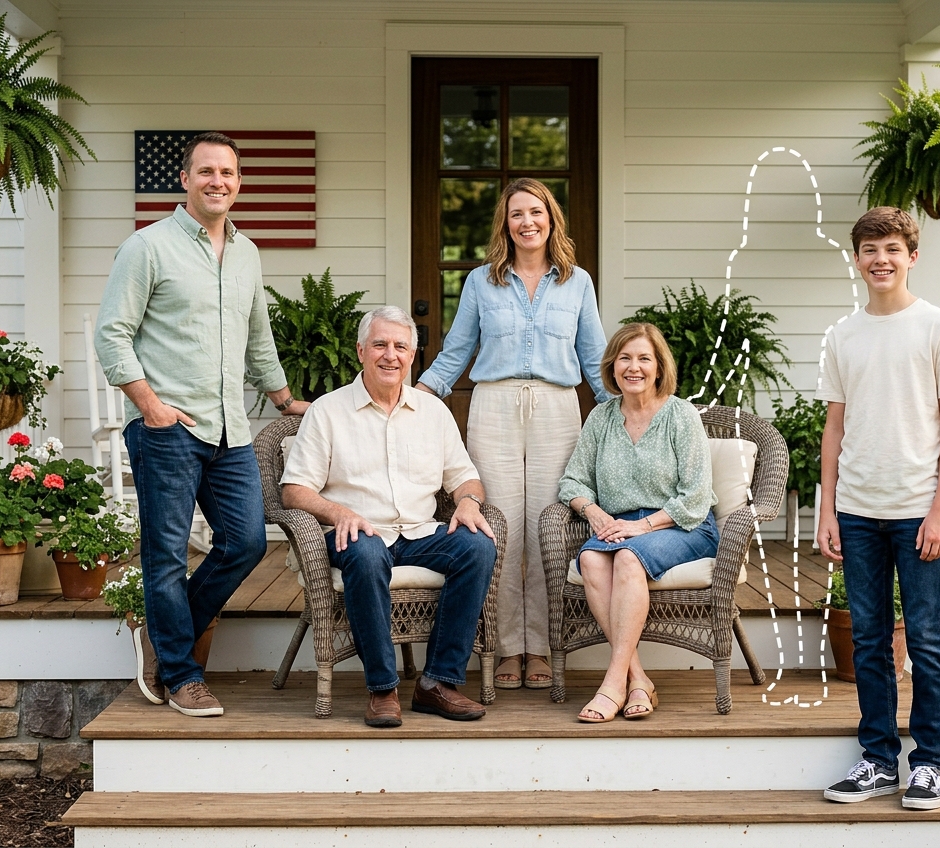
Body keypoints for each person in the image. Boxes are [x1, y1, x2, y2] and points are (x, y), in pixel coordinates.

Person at [96, 132, 306, 717]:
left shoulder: (246, 253)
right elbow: (111, 334)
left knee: (244, 542)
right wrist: (150, 405)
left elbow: (257, 336)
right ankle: (184, 674)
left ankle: (164, 636)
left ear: (239, 183)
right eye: (207, 171)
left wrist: (285, 399)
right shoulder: (147, 248)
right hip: (168, 428)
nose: (219, 181)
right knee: (164, 553)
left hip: (229, 430)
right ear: (184, 179)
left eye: (229, 173)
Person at [416, 178, 610, 692]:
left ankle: (541, 645)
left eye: (536, 212)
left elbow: (594, 357)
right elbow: (457, 350)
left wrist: (625, 411)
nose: (528, 222)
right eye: (517, 214)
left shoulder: (578, 282)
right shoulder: (483, 281)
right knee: (499, 528)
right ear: (505, 223)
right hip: (495, 407)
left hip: (557, 408)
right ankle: (506, 648)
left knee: (547, 526)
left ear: (552, 219)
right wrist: (416, 394)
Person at [816, 207, 940, 810]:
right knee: (871, 639)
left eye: (891, 248)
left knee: (927, 639)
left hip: (916, 510)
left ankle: (930, 762)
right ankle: (879, 760)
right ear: (856, 259)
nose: (880, 259)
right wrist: (827, 511)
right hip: (856, 511)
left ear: (912, 255)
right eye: (868, 249)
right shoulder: (843, 335)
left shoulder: (936, 327)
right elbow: (835, 428)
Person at [282, 306, 498, 728]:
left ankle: (436, 683)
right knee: (366, 554)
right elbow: (293, 490)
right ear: (361, 350)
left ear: (412, 356)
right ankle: (382, 689)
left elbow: (465, 478)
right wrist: (339, 512)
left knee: (477, 546)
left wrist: (469, 501)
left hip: (418, 532)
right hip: (355, 534)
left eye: (400, 346)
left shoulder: (433, 412)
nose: (390, 355)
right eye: (380, 344)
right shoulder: (327, 411)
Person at [557, 323, 717, 722]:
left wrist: (641, 528)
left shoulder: (681, 416)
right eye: (625, 358)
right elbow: (573, 481)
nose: (634, 367)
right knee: (592, 560)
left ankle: (612, 684)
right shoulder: (601, 418)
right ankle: (638, 678)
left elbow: (695, 496)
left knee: (627, 557)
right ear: (612, 367)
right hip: (620, 526)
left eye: (644, 358)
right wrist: (593, 512)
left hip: (683, 525)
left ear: (659, 367)